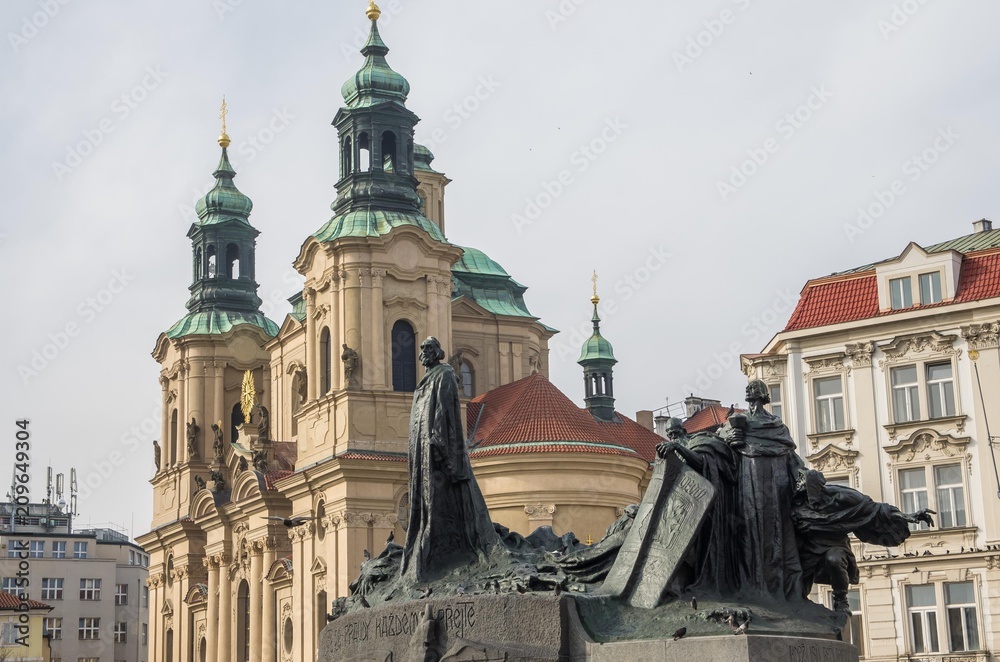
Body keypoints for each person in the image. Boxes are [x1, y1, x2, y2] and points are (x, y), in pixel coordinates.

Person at [399, 337, 498, 583]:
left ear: (438, 352)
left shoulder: (443, 375)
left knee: (441, 502)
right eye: (421, 348)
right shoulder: (426, 380)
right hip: (423, 453)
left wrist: (438, 442)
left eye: (428, 348)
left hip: (436, 450)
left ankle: (443, 552)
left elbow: (444, 411)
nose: (423, 352)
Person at [791, 469, 935, 612]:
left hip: (834, 545)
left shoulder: (841, 497)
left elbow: (876, 510)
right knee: (794, 590)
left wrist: (907, 516)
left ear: (814, 487)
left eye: (804, 487)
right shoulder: (796, 505)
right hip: (808, 549)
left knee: (834, 559)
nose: (800, 490)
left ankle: (841, 601)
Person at [718, 379, 805, 601]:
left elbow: (791, 456)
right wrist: (731, 440)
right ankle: (751, 586)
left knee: (777, 532)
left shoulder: (777, 426)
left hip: (777, 482)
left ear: (763, 396)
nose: (752, 394)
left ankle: (777, 589)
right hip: (747, 479)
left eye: (756, 392)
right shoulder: (738, 423)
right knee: (748, 530)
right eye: (749, 391)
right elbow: (720, 443)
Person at [656, 418, 739, 596]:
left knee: (690, 550)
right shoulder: (668, 451)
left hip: (699, 507)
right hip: (675, 508)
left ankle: (687, 587)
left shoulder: (695, 444)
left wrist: (678, 447)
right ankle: (674, 590)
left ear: (684, 432)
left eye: (676, 433)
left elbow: (701, 463)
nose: (673, 437)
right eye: (670, 434)